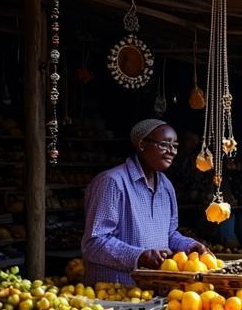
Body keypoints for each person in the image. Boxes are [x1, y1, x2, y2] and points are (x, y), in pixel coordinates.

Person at [81, 119, 208, 285]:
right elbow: (94, 243)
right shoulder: (112, 182)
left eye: (175, 146)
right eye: (164, 144)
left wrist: (188, 245)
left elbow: (169, 234)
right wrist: (139, 256)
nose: (172, 152)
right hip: (113, 294)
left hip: (152, 292)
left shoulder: (166, 186)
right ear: (142, 144)